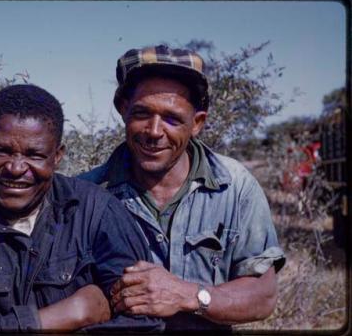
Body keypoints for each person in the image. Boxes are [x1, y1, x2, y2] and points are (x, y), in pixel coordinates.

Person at [0, 84, 162, 331]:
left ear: (57, 156)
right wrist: (67, 315)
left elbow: (141, 321)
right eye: (1, 151)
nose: (15, 168)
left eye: (34, 155)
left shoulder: (97, 212)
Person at [79, 45, 286, 331]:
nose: (154, 131)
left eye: (172, 119)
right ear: (123, 109)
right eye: (141, 113)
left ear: (197, 123)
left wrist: (189, 295)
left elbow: (263, 297)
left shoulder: (235, 186)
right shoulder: (85, 194)